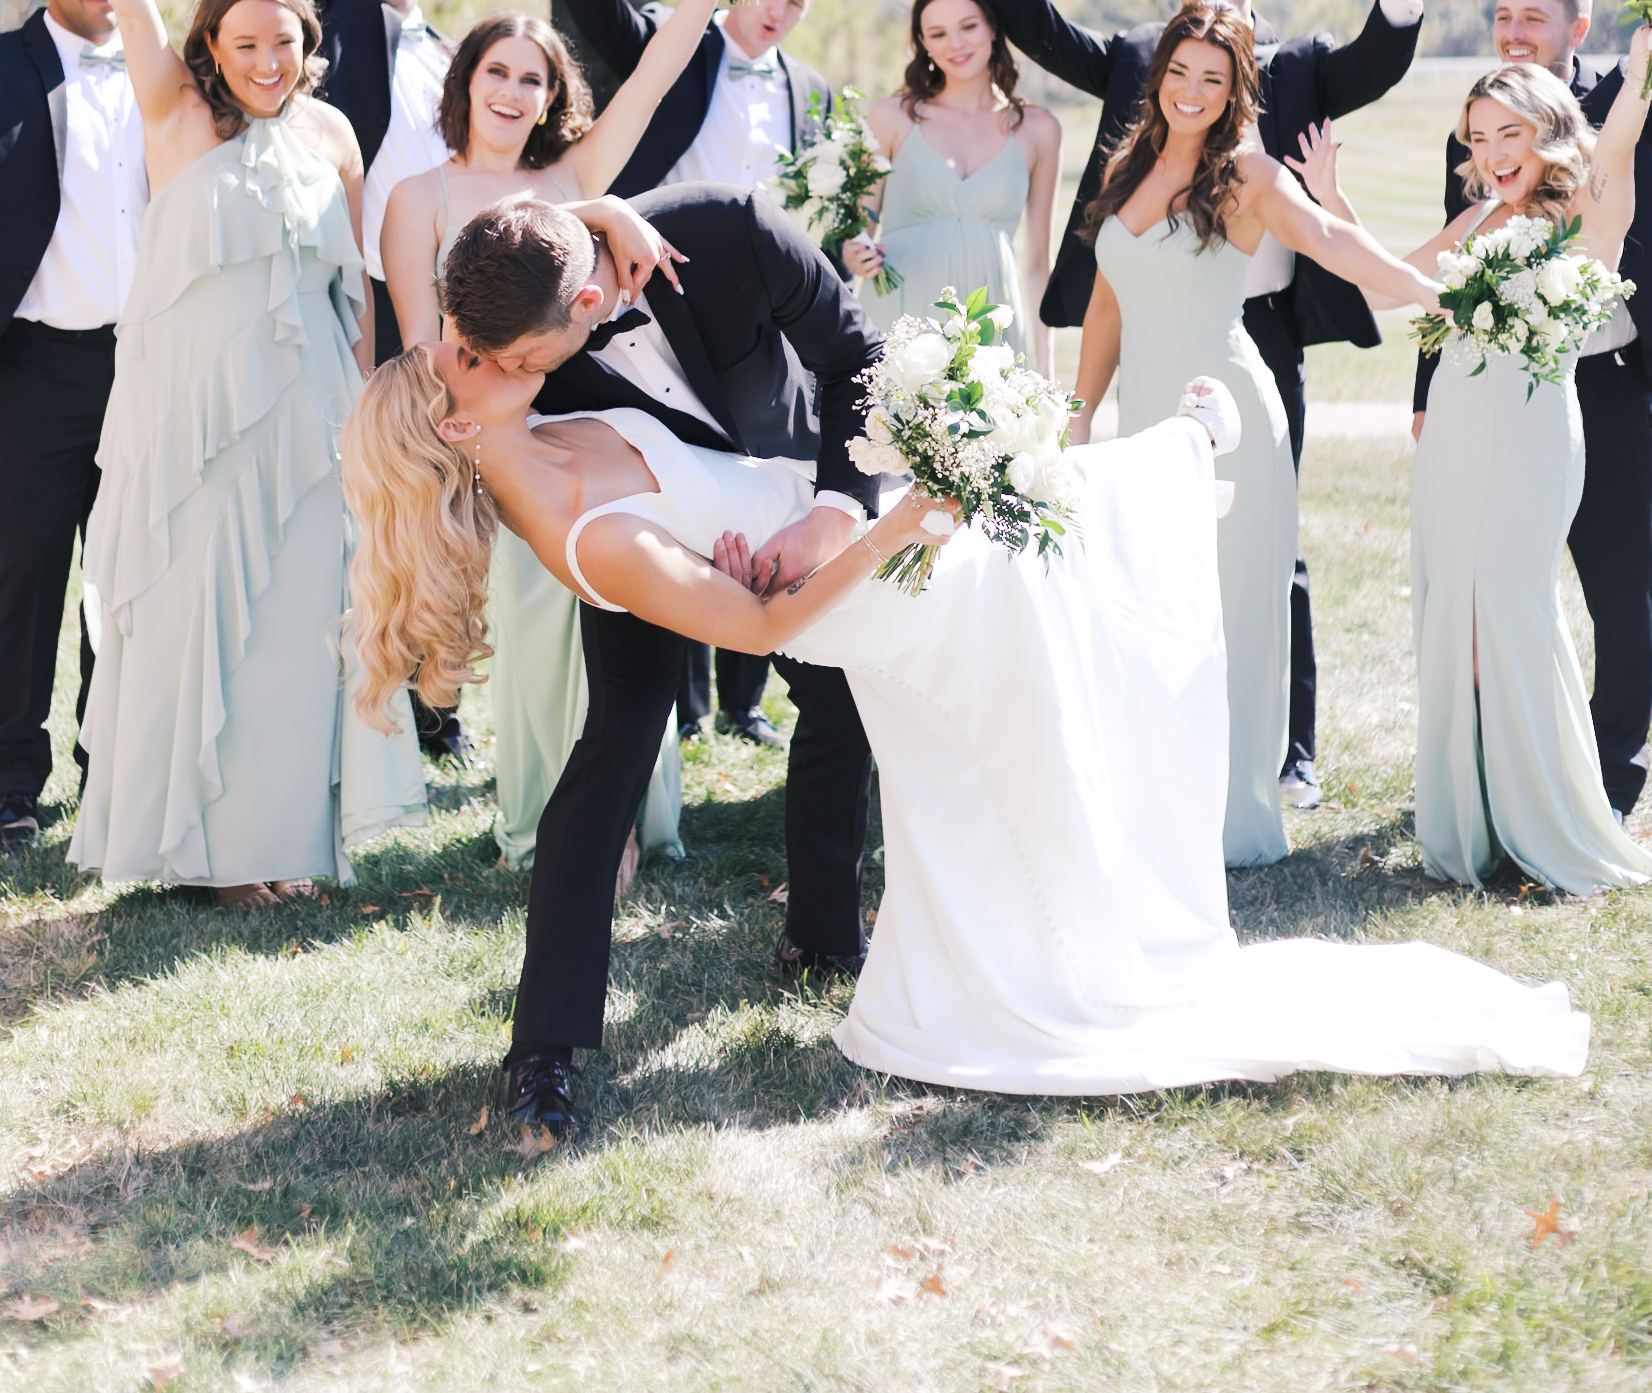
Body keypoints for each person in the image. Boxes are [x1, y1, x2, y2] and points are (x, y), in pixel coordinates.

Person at [345, 313, 1589, 1139]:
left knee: (1041, 571)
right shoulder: (592, 540)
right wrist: (893, 526)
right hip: (870, 587)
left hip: (843, 528)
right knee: (1035, 578)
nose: (472, 341)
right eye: (455, 356)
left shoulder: (552, 427)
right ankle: (1176, 454)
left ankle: (1166, 453)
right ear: (457, 424)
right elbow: (758, 634)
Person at [953, 0, 1437, 809]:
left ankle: (1281, 755)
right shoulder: (1135, 111)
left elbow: (1346, 191)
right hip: (1149, 371)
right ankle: (1155, 764)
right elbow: (1103, 299)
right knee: (1143, 577)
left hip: (1252, 345)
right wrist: (1074, 420)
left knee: (1261, 563)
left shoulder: (1293, 70)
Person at [403, 188, 886, 1136]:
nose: (503, 371)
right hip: (642, 523)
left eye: (518, 360)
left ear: (584, 307)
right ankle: (540, 1052)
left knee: (837, 704)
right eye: (494, 360)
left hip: (788, 488)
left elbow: (855, 358)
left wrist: (835, 506)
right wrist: (588, 210)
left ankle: (825, 943)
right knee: (616, 742)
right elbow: (506, 234)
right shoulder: (519, 322)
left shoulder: (728, 232)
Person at [49, 0, 426, 906]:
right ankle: (205, 855)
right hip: (193, 424)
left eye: (284, 41)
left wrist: (363, 423)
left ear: (311, 41)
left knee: (302, 624)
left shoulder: (336, 136)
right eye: (244, 42)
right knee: (201, 618)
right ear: (212, 46)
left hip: (312, 418)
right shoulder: (175, 111)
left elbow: (351, 290)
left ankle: (286, 838)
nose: (266, 60)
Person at [379, 0, 763, 872]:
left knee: (629, 631)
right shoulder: (417, 197)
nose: (514, 93)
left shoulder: (569, 184)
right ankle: (552, 827)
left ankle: (632, 818)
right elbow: (429, 348)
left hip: (611, 447)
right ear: (465, 81)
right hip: (507, 451)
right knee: (543, 639)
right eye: (498, 72)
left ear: (553, 99)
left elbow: (653, 81)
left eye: (535, 81)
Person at [1072, 0, 1444, 866]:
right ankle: (1157, 797)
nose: (1191, 92)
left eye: (1213, 77)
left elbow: (1330, 243)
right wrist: (1081, 411)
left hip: (1228, 418)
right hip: (1141, 433)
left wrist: (1431, 293)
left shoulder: (1247, 174)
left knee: (1234, 616)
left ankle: (1234, 815)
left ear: (1237, 88)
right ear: (1157, 74)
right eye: (1179, 73)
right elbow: (1103, 304)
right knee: (1150, 610)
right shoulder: (1124, 166)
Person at [1304, 39, 1652, 894]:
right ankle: (1481, 817)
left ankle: (1553, 819)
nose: (1490, 155)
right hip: (1455, 437)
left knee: (1509, 607)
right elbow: (1387, 286)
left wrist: (1641, 55)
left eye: (1509, 135)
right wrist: (1327, 202)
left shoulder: (1584, 214)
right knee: (1452, 615)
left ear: (1547, 133)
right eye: (1475, 138)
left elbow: (1618, 138)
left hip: (1530, 434)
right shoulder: (1473, 222)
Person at [563, 0, 835, 747]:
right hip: (655, 284)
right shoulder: (671, 45)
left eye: (798, 2)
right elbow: (591, 4)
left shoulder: (814, 92)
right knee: (673, 474)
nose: (780, 11)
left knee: (757, 470)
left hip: (757, 297)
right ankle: (675, 696)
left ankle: (746, 695)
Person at [250, 0, 465, 758]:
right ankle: (356, 701)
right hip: (366, 302)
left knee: (448, 510)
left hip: (463, 312)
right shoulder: (341, 35)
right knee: (365, 507)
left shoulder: (464, 57)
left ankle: (440, 704)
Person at [1410, 0, 1652, 822]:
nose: (1513, 32)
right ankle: (1502, 775)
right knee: (1495, 591)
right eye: (1503, 17)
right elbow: (1448, 270)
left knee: (1624, 594)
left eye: (1532, 20)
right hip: (1496, 387)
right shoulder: (1475, 139)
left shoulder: (1610, 126)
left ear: (1573, 30)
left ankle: (1608, 774)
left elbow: (1621, 147)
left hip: (1611, 381)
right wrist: (1426, 385)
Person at [0, 0, 147, 850]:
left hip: (146, 364)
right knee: (26, 575)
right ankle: (13, 785)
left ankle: (113, 763)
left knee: (128, 577)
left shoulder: (166, 69)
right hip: (26, 366)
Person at [842, 0, 1060, 370]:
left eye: (968, 26)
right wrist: (856, 252)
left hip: (993, 324)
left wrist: (1043, 371)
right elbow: (861, 225)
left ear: (993, 27)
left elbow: (1038, 265)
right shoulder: (891, 118)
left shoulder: (1039, 129)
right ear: (923, 44)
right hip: (900, 317)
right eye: (938, 34)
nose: (956, 44)